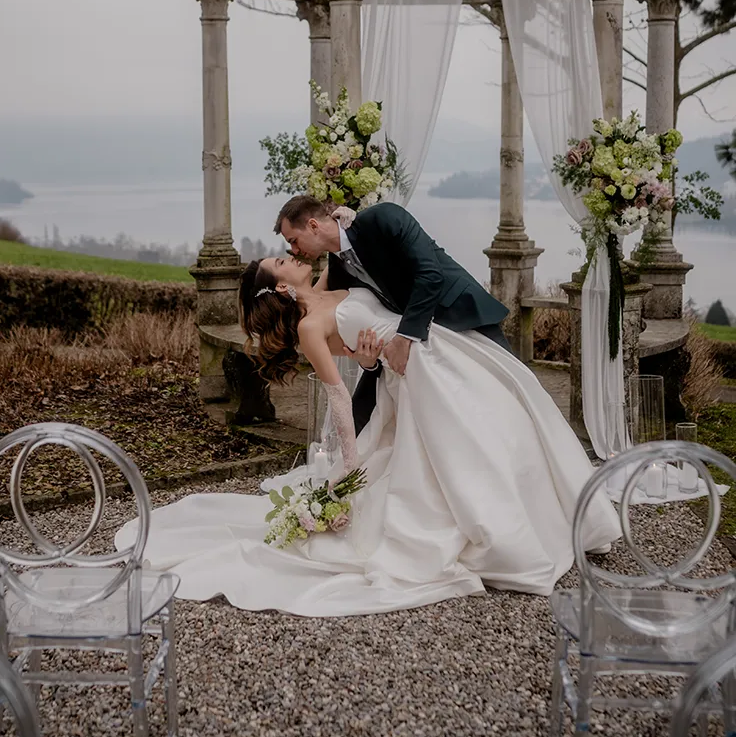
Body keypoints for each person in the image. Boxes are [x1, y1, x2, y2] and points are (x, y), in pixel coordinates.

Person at [114, 227, 619, 616]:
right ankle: (506, 540)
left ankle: (549, 517)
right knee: (461, 458)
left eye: (286, 250)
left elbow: (368, 323)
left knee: (501, 432)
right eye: (280, 262)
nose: (291, 257)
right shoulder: (311, 327)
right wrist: (349, 466)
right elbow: (338, 392)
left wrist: (373, 357)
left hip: (437, 351)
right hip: (415, 375)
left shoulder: (337, 279)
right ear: (279, 290)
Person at [275, 195, 511, 434]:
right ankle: (352, 463)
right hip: (410, 345)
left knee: (510, 389)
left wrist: (405, 337)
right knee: (362, 421)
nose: (294, 251)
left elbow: (431, 275)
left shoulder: (382, 218)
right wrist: (366, 362)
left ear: (313, 225)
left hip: (458, 312)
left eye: (294, 241)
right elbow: (323, 312)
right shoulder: (337, 274)